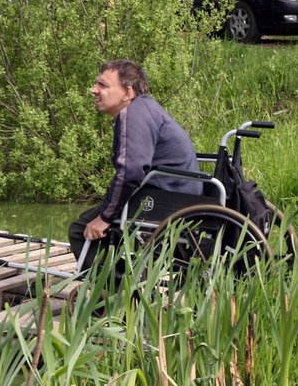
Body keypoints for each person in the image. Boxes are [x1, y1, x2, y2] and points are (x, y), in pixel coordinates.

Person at [69, 59, 202, 271]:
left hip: (166, 199)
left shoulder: (134, 114)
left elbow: (131, 172)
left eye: (103, 85)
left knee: (80, 230)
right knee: (92, 221)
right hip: (175, 193)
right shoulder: (143, 108)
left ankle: (109, 296)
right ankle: (124, 282)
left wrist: (105, 218)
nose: (94, 90)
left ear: (127, 92)